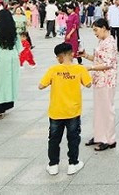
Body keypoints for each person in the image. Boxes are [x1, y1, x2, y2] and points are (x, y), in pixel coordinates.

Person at [39, 42, 91, 175]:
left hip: (56, 111)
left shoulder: (53, 70)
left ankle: (53, 165)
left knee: (54, 139)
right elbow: (88, 84)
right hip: (73, 111)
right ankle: (73, 163)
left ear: (60, 57)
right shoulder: (80, 69)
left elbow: (41, 85)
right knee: (73, 138)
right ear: (71, 54)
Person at [82, 18, 118, 150]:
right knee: (99, 109)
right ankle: (99, 135)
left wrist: (90, 68)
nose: (95, 33)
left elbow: (108, 64)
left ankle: (109, 139)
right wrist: (86, 55)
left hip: (107, 80)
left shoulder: (110, 43)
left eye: (96, 30)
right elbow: (98, 59)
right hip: (99, 79)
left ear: (104, 28)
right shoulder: (102, 41)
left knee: (107, 110)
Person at [0, 9, 23, 120]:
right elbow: (19, 47)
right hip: (12, 56)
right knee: (8, 82)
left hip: (1, 56)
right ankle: (5, 104)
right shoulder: (13, 31)